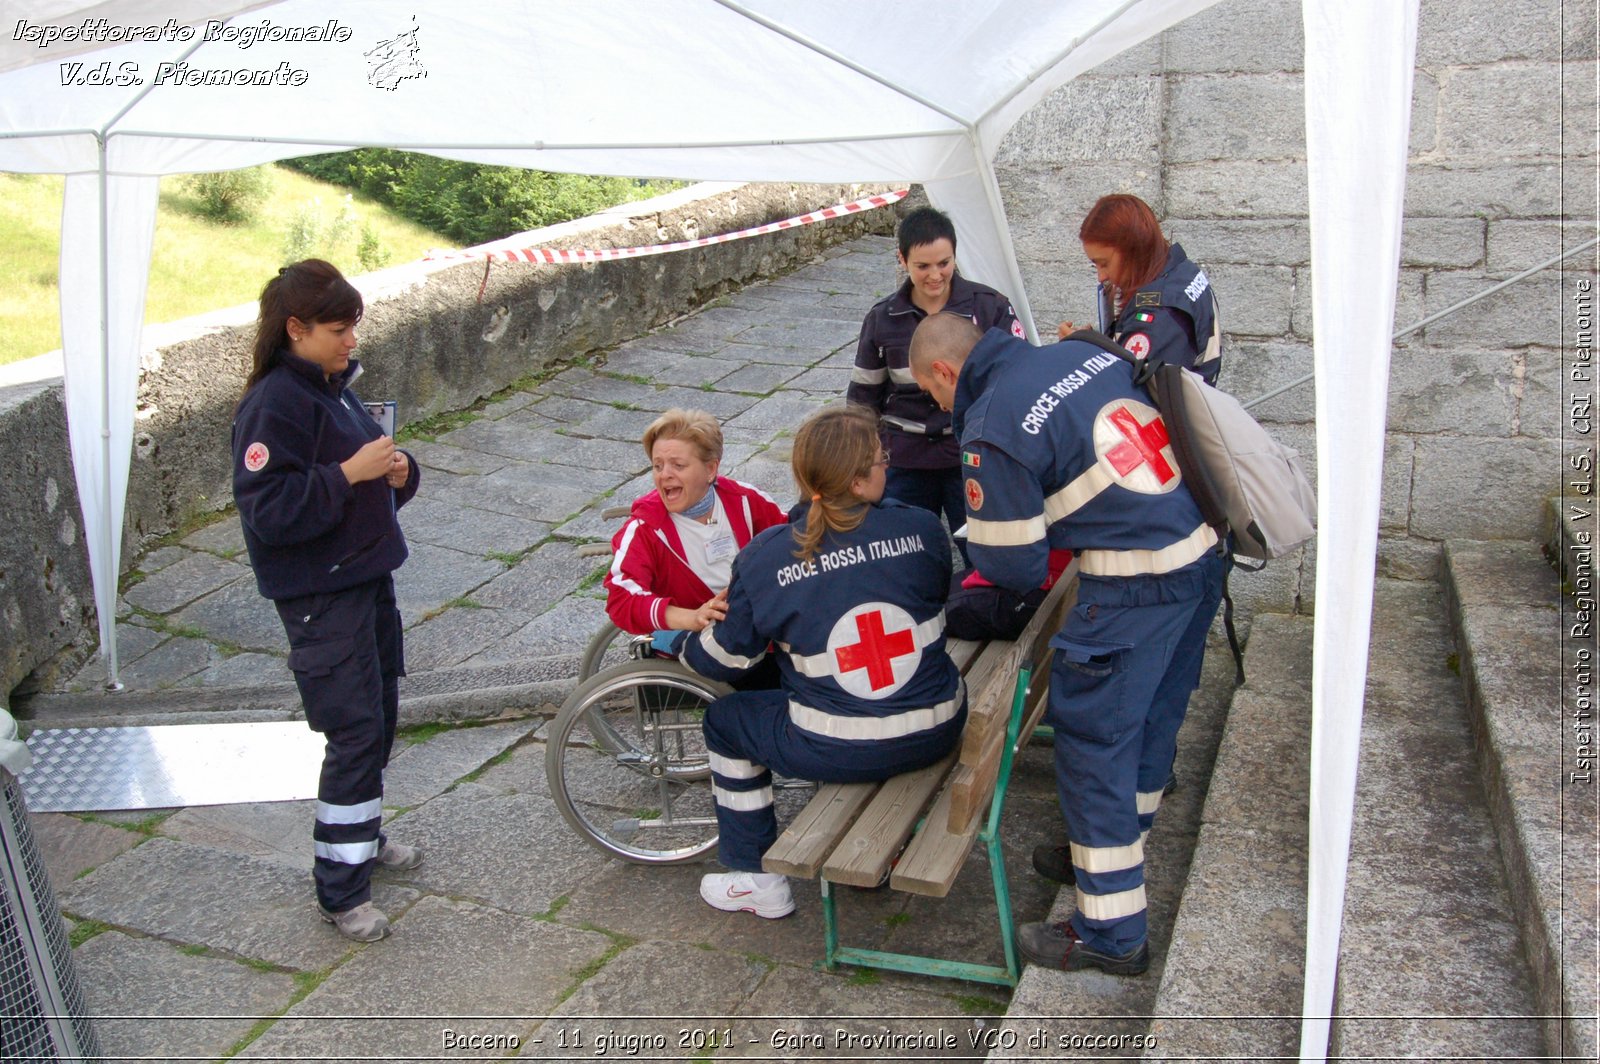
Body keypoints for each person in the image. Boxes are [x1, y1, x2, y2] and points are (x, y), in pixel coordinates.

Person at [909, 314, 1224, 976]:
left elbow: (1014, 568)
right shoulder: (1079, 354)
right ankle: (1112, 852)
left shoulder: (992, 422)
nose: (941, 409)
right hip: (1198, 556)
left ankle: (1110, 934)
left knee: (1094, 745)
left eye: (934, 395)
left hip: (1133, 590)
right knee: (1152, 719)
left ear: (946, 371)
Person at [675, 405, 966, 919]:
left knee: (725, 721)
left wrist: (684, 644)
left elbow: (725, 660)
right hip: (939, 726)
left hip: (839, 747)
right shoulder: (923, 529)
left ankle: (755, 878)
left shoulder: (767, 556)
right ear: (856, 481)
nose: (887, 467)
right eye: (880, 460)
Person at [232, 259, 421, 943]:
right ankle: (341, 892)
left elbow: (365, 479)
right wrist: (349, 472)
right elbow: (270, 512)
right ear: (297, 329)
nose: (351, 342)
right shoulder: (273, 405)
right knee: (353, 731)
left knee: (380, 716)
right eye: (340, 330)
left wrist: (399, 472)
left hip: (365, 579)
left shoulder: (330, 386)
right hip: (322, 597)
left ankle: (362, 838)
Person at [847, 205, 1023, 551]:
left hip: (973, 454)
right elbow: (863, 401)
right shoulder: (882, 319)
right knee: (903, 552)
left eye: (944, 263)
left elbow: (1017, 381)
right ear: (902, 259)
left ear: (956, 255)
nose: (935, 275)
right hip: (904, 458)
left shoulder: (990, 307)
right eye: (922, 266)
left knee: (984, 550)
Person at [603, 408, 786, 639]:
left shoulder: (745, 501)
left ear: (711, 469)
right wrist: (691, 618)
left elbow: (791, 539)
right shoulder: (646, 528)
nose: (664, 475)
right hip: (697, 646)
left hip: (758, 627)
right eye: (658, 466)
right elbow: (621, 600)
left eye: (677, 465)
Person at [1057, 193, 1222, 385]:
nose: (1101, 277)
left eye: (1104, 264)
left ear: (1133, 251)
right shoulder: (1178, 270)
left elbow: (1127, 389)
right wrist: (1094, 340)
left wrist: (1080, 351)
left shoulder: (1157, 314)